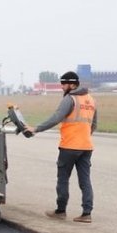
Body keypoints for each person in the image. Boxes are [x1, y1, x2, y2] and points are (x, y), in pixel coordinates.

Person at [25, 71, 97, 223]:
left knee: (63, 179)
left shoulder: (70, 99)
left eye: (63, 84)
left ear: (72, 84)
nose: (62, 87)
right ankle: (87, 213)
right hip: (86, 146)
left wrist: (36, 128)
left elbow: (56, 117)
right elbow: (94, 124)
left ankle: (61, 211)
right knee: (85, 180)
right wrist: (84, 136)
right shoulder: (91, 100)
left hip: (69, 146)